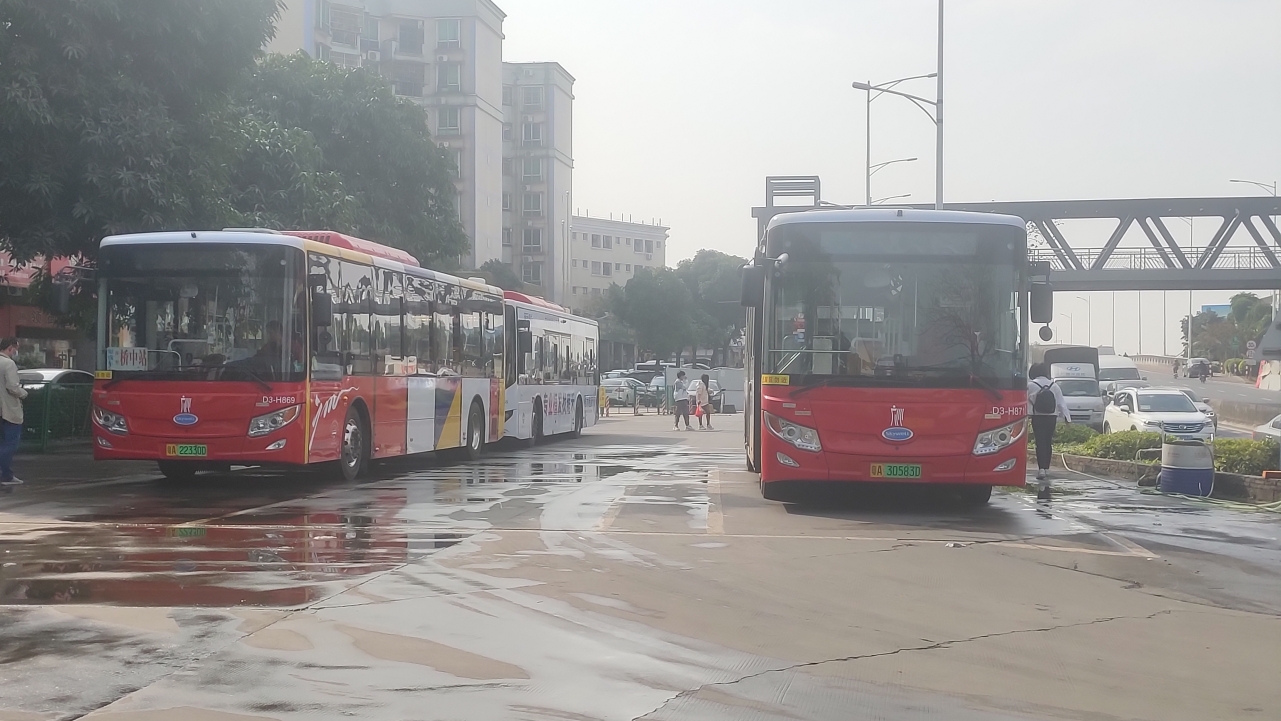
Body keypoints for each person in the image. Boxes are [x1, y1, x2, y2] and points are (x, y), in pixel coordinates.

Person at [1027, 362, 1070, 501]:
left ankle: (1041, 470)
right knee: (1048, 441)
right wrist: (1067, 418)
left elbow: (1026, 403)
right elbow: (1061, 403)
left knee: (1039, 442)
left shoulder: (1031, 385)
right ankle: (1046, 468)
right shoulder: (1054, 385)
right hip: (1052, 417)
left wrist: (1027, 416)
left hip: (1038, 417)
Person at [0, 338, 27, 487]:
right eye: (16, 349)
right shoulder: (8, 364)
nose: (16, 352)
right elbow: (12, 387)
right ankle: (6, 475)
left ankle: (6, 474)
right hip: (8, 410)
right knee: (10, 444)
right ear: (10, 348)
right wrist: (24, 393)